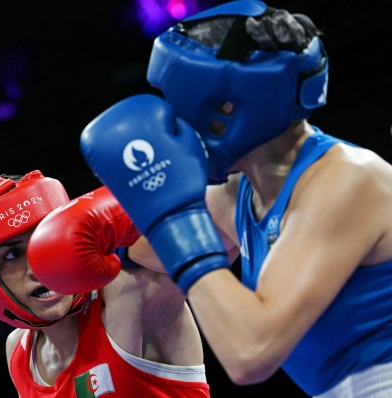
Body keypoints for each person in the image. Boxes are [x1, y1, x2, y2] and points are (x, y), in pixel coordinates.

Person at [78, 1, 392, 397]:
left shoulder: (347, 181)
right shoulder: (242, 192)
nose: (170, 121)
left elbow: (250, 353)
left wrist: (173, 222)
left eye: (176, 100)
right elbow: (151, 250)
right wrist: (82, 233)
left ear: (225, 107)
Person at [0, 170, 211, 397]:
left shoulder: (127, 291)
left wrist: (119, 246)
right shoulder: (19, 352)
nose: (37, 266)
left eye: (45, 238)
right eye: (12, 255)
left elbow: (209, 235)